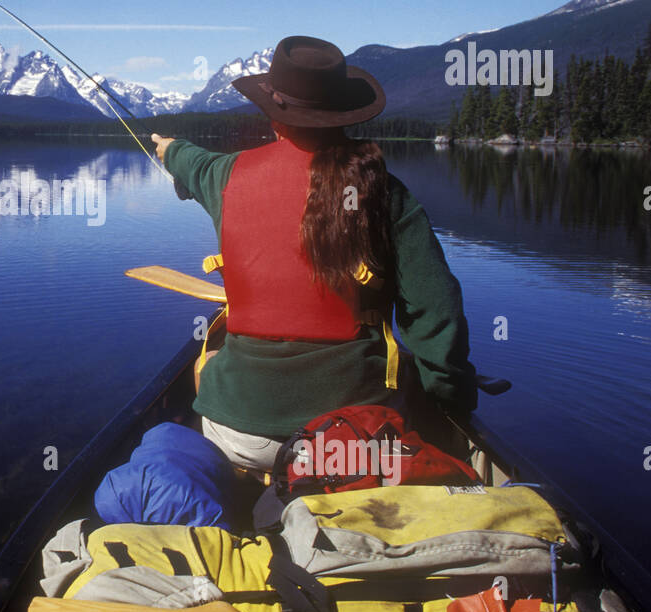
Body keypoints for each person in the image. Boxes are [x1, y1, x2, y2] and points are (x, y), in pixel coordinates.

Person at [152, 35, 477, 474]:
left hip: (239, 435)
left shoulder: (225, 176)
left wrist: (169, 150)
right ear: (343, 115)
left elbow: (191, 162)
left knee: (204, 367)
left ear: (274, 115)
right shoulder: (384, 193)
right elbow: (437, 316)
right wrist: (449, 404)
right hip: (354, 440)